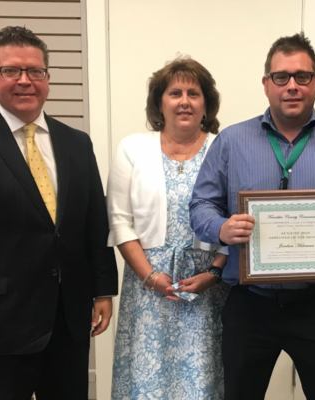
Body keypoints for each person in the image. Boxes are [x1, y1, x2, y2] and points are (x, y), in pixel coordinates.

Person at [189, 33, 315, 400]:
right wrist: (222, 228)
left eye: (302, 77)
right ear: (266, 84)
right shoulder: (231, 141)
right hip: (249, 306)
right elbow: (200, 206)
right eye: (281, 77)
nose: (292, 86)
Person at [0, 26, 118, 399]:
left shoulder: (76, 143)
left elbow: (94, 222)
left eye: (35, 71)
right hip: (6, 321)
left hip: (69, 317)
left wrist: (102, 291)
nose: (25, 81)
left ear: (47, 79)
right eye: (11, 71)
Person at [107, 57, 229, 400]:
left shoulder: (224, 148)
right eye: (175, 92)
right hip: (148, 287)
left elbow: (238, 218)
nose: (185, 100)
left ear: (207, 103)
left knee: (202, 381)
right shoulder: (132, 148)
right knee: (147, 383)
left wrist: (214, 274)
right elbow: (119, 220)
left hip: (205, 289)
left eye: (194, 92)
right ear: (160, 102)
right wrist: (149, 275)